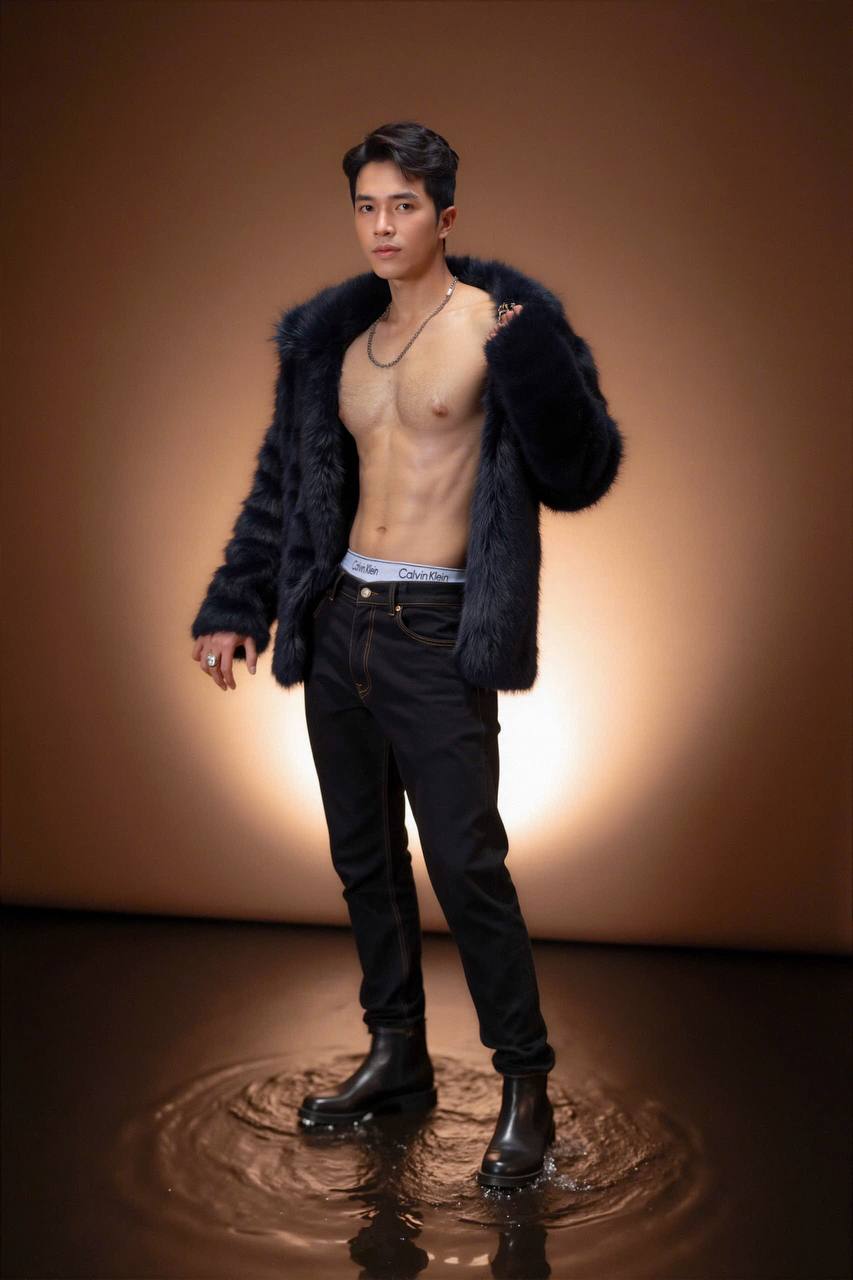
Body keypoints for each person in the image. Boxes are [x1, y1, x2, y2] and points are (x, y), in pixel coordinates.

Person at [190, 121, 625, 1189]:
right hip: (339, 618)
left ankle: (525, 1084)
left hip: (435, 628)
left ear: (445, 216)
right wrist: (238, 603)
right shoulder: (331, 343)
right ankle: (396, 1056)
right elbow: (282, 485)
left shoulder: (500, 325)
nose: (383, 225)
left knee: (466, 862)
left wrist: (534, 361)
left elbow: (579, 470)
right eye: (367, 206)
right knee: (364, 860)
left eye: (404, 206)